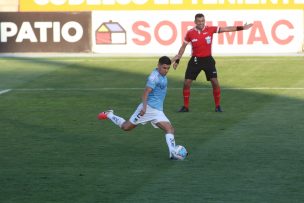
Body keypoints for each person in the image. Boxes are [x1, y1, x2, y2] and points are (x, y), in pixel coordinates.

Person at [98, 56, 185, 159]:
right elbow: (145, 93)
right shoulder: (153, 78)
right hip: (147, 109)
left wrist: (176, 59)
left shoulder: (162, 69)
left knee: (169, 129)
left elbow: (171, 60)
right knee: (126, 127)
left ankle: (172, 153)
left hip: (157, 111)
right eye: (164, 68)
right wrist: (144, 108)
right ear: (158, 66)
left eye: (167, 68)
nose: (166, 71)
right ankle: (109, 114)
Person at [172, 13, 253, 112]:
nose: (201, 23)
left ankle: (218, 106)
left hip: (208, 60)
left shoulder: (210, 29)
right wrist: (177, 60)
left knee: (215, 82)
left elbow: (227, 29)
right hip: (195, 60)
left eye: (202, 21)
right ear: (195, 22)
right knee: (186, 83)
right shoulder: (190, 33)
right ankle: (185, 106)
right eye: (199, 21)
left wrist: (242, 28)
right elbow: (183, 47)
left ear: (204, 21)